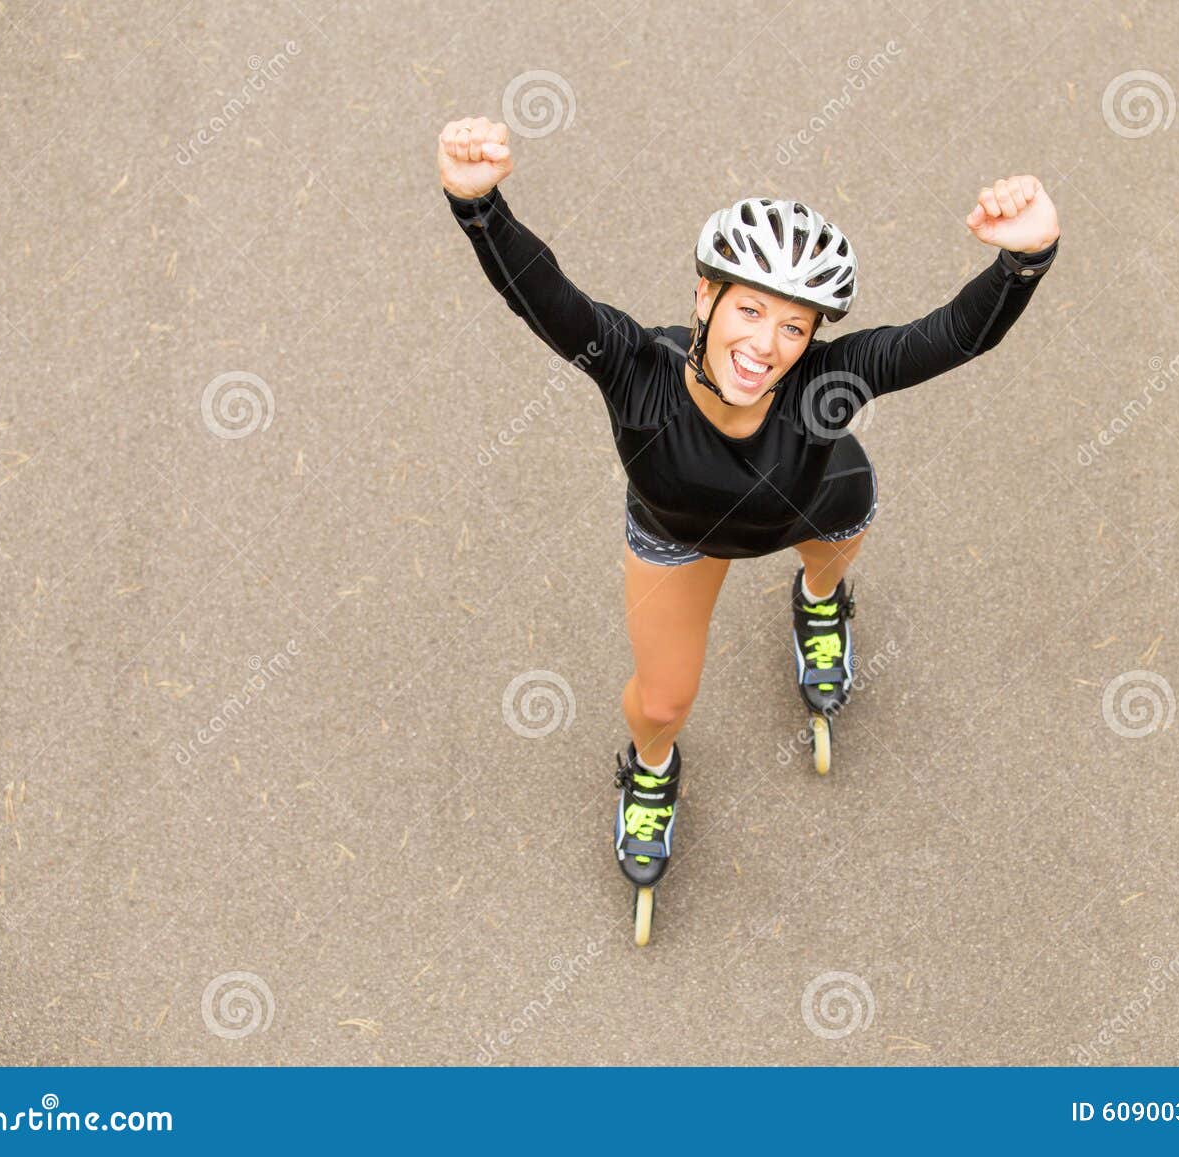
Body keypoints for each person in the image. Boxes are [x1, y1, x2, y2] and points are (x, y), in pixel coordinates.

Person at [439, 116, 1059, 905]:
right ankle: (652, 770)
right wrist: (479, 206)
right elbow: (543, 295)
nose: (767, 344)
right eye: (750, 311)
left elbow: (951, 338)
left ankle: (822, 602)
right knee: (661, 701)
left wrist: (1025, 259)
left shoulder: (831, 384)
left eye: (794, 326)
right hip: (678, 537)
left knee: (834, 551)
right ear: (706, 294)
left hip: (816, 509)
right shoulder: (635, 370)